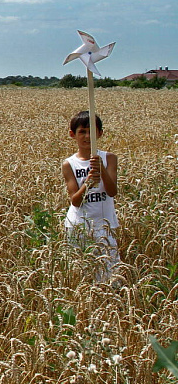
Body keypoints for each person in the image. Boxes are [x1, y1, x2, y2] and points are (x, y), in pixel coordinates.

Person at [61, 110, 120, 282]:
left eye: (92, 132)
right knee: (81, 274)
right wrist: (87, 183)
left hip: (104, 225)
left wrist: (101, 169)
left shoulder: (109, 158)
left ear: (100, 133)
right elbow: (75, 201)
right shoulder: (69, 164)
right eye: (82, 132)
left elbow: (112, 191)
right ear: (73, 135)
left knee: (110, 275)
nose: (87, 136)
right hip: (78, 226)